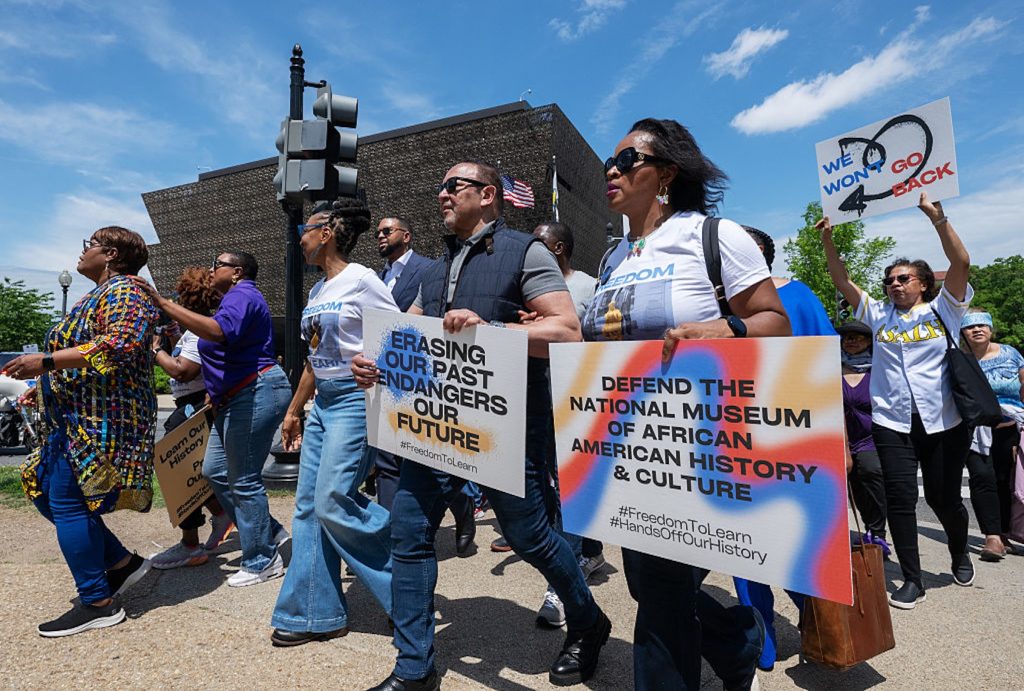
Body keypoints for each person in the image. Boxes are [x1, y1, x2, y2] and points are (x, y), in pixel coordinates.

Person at [353, 160, 610, 690]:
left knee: (529, 534)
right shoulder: (430, 268)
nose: (442, 195)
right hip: (434, 424)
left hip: (509, 421)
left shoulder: (525, 251)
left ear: (488, 195)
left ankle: (589, 622)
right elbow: (415, 337)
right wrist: (377, 363)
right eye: (440, 186)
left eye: (453, 186)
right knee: (409, 533)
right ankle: (414, 667)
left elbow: (566, 333)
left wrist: (488, 328)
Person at [588, 119, 790, 690]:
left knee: (658, 597)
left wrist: (724, 328)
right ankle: (735, 637)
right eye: (611, 159)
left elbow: (775, 321)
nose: (612, 169)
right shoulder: (613, 259)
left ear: (667, 173)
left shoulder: (715, 237)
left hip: (697, 443)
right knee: (649, 584)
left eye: (628, 159)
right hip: (629, 446)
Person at [819, 192, 974, 610]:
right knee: (901, 500)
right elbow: (842, 281)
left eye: (903, 278)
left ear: (923, 284)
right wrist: (829, 241)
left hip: (943, 420)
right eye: (890, 279)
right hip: (892, 423)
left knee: (943, 499)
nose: (894, 284)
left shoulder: (945, 309)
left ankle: (960, 552)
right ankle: (912, 578)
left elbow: (961, 264)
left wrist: (938, 220)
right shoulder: (877, 314)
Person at [4, 226, 158, 636]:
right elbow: (86, 358)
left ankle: (99, 602)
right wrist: (42, 387)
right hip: (71, 421)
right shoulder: (98, 295)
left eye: (88, 245)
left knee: (68, 502)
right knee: (45, 492)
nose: (82, 251)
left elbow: (121, 344)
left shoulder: (127, 290)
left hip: (103, 421)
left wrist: (48, 362)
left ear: (109, 253)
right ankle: (122, 564)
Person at [269, 199, 398, 646]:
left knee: (333, 500)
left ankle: (409, 588)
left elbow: (399, 339)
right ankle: (312, 613)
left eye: (304, 230)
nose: (298, 239)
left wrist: (378, 366)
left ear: (325, 232)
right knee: (307, 506)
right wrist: (293, 410)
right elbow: (313, 358)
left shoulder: (363, 280)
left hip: (355, 399)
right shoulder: (317, 293)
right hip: (323, 402)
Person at [134, 251, 291, 588]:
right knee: (215, 471)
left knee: (244, 478)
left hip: (256, 389)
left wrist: (162, 302)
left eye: (217, 264)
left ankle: (262, 559)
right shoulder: (230, 300)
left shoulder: (243, 294)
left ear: (236, 272)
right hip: (234, 398)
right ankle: (270, 531)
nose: (210, 269)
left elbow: (219, 333)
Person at [723, 224, 835, 671]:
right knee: (741, 546)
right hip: (732, 439)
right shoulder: (715, 302)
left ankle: (820, 623)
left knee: (797, 543)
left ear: (761, 256)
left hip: (794, 438)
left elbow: (825, 366)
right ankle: (760, 641)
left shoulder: (800, 296)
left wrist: (838, 439)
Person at [370, 215, 476, 557]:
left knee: (429, 462)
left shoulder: (428, 269)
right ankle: (393, 540)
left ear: (407, 234)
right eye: (378, 233)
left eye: (387, 231)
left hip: (425, 379)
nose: (381, 236)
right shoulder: (376, 278)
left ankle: (463, 507)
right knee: (386, 460)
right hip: (386, 376)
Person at [529, 221, 605, 630]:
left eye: (538, 244)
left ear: (557, 248)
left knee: (571, 487)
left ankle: (563, 584)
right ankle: (590, 551)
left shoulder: (590, 288)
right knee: (554, 487)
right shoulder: (530, 287)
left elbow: (599, 341)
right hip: (539, 398)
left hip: (578, 400)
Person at [150, 267, 235, 569]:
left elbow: (182, 370)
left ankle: (190, 544)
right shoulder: (194, 330)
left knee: (176, 471)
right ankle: (221, 511)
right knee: (196, 470)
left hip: (193, 406)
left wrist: (156, 351)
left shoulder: (198, 332)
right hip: (192, 404)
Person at [961, 309, 1024, 560]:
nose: (977, 329)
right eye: (970, 326)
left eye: (982, 325)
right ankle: (993, 537)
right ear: (962, 332)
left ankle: (1007, 533)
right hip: (974, 429)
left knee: (1005, 481)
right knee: (982, 477)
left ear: (990, 329)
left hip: (1012, 428)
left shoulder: (1010, 353)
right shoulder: (959, 359)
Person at [838, 320, 890, 555]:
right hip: (842, 436)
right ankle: (868, 527)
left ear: (869, 341)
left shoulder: (879, 369)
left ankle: (878, 532)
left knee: (871, 473)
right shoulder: (832, 367)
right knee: (854, 486)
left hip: (871, 437)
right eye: (847, 337)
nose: (851, 341)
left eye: (857, 337)